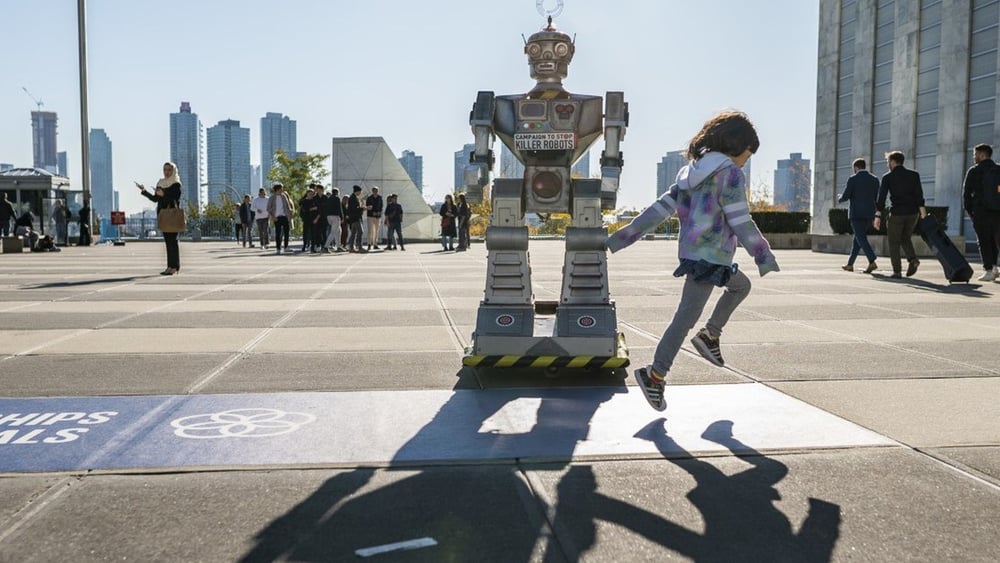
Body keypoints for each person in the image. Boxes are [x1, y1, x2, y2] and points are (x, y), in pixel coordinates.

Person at [606, 110, 778, 412]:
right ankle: (655, 375)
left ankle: (709, 335)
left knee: (740, 286)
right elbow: (740, 220)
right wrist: (762, 254)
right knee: (684, 319)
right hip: (711, 259)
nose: (745, 162)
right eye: (746, 156)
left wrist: (623, 236)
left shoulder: (689, 174)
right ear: (736, 146)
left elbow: (660, 209)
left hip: (696, 256)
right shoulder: (729, 174)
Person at [875, 151, 926, 279]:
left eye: (888, 161)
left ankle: (897, 271)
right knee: (905, 238)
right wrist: (923, 214)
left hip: (897, 213)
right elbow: (919, 195)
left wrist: (877, 215)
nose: (887, 164)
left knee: (894, 242)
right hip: (913, 214)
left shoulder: (888, 177)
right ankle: (913, 260)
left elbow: (881, 197)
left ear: (892, 162)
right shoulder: (914, 175)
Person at [962, 143, 1000, 281]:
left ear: (982, 155)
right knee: (995, 240)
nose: (974, 157)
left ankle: (989, 269)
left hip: (981, 212)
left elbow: (966, 194)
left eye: (975, 154)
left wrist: (970, 212)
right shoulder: (998, 170)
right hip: (997, 211)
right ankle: (995, 267)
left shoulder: (974, 171)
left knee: (984, 241)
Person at [137, 162, 183, 275]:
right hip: (163, 215)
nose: (167, 172)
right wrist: (144, 191)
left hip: (172, 215)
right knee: (167, 242)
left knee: (173, 241)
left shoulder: (176, 184)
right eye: (165, 170)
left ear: (173, 171)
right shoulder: (161, 183)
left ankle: (175, 266)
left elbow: (176, 198)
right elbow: (155, 199)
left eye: (169, 170)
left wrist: (164, 195)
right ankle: (169, 266)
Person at [838, 158, 879, 274]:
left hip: (856, 214)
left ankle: (872, 260)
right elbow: (876, 197)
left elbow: (846, 196)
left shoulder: (853, 179)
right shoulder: (875, 179)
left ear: (856, 167)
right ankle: (850, 264)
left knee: (861, 238)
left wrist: (840, 198)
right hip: (869, 214)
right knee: (858, 239)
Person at [267, 184, 294, 254]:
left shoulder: (284, 196)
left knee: (287, 232)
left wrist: (290, 211)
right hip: (277, 217)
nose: (282, 190)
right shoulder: (272, 198)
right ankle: (278, 248)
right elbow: (268, 209)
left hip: (285, 216)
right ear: (277, 189)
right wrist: (273, 217)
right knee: (278, 233)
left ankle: (286, 247)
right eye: (281, 188)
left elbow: (287, 206)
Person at [323, 187, 345, 252]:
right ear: (337, 192)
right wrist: (342, 217)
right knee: (333, 232)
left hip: (329, 217)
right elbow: (340, 208)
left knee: (338, 231)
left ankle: (338, 246)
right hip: (335, 216)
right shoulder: (337, 198)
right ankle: (326, 247)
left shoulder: (328, 199)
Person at [347, 185, 365, 252]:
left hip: (353, 218)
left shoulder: (353, 197)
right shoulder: (353, 198)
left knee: (353, 233)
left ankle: (351, 247)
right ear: (357, 191)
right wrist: (363, 208)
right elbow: (355, 208)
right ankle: (359, 246)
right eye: (360, 191)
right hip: (356, 217)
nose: (360, 193)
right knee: (360, 231)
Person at [365, 186, 383, 251]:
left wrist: (379, 212)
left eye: (376, 190)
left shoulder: (380, 198)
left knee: (376, 230)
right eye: (374, 190)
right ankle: (369, 244)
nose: (375, 192)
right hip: (370, 216)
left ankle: (375, 244)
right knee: (370, 230)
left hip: (378, 216)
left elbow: (381, 206)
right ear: (372, 191)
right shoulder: (369, 198)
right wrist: (372, 212)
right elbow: (367, 206)